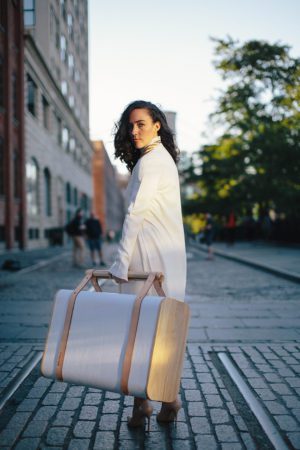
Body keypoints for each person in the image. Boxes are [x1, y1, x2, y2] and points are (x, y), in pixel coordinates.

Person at [108, 100, 186, 431]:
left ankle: (151, 405)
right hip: (163, 258)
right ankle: (158, 404)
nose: (133, 130)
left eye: (141, 124)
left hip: (147, 257)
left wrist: (120, 260)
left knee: (141, 333)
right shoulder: (158, 159)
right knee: (159, 333)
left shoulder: (153, 162)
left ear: (157, 125)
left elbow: (136, 212)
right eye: (130, 125)